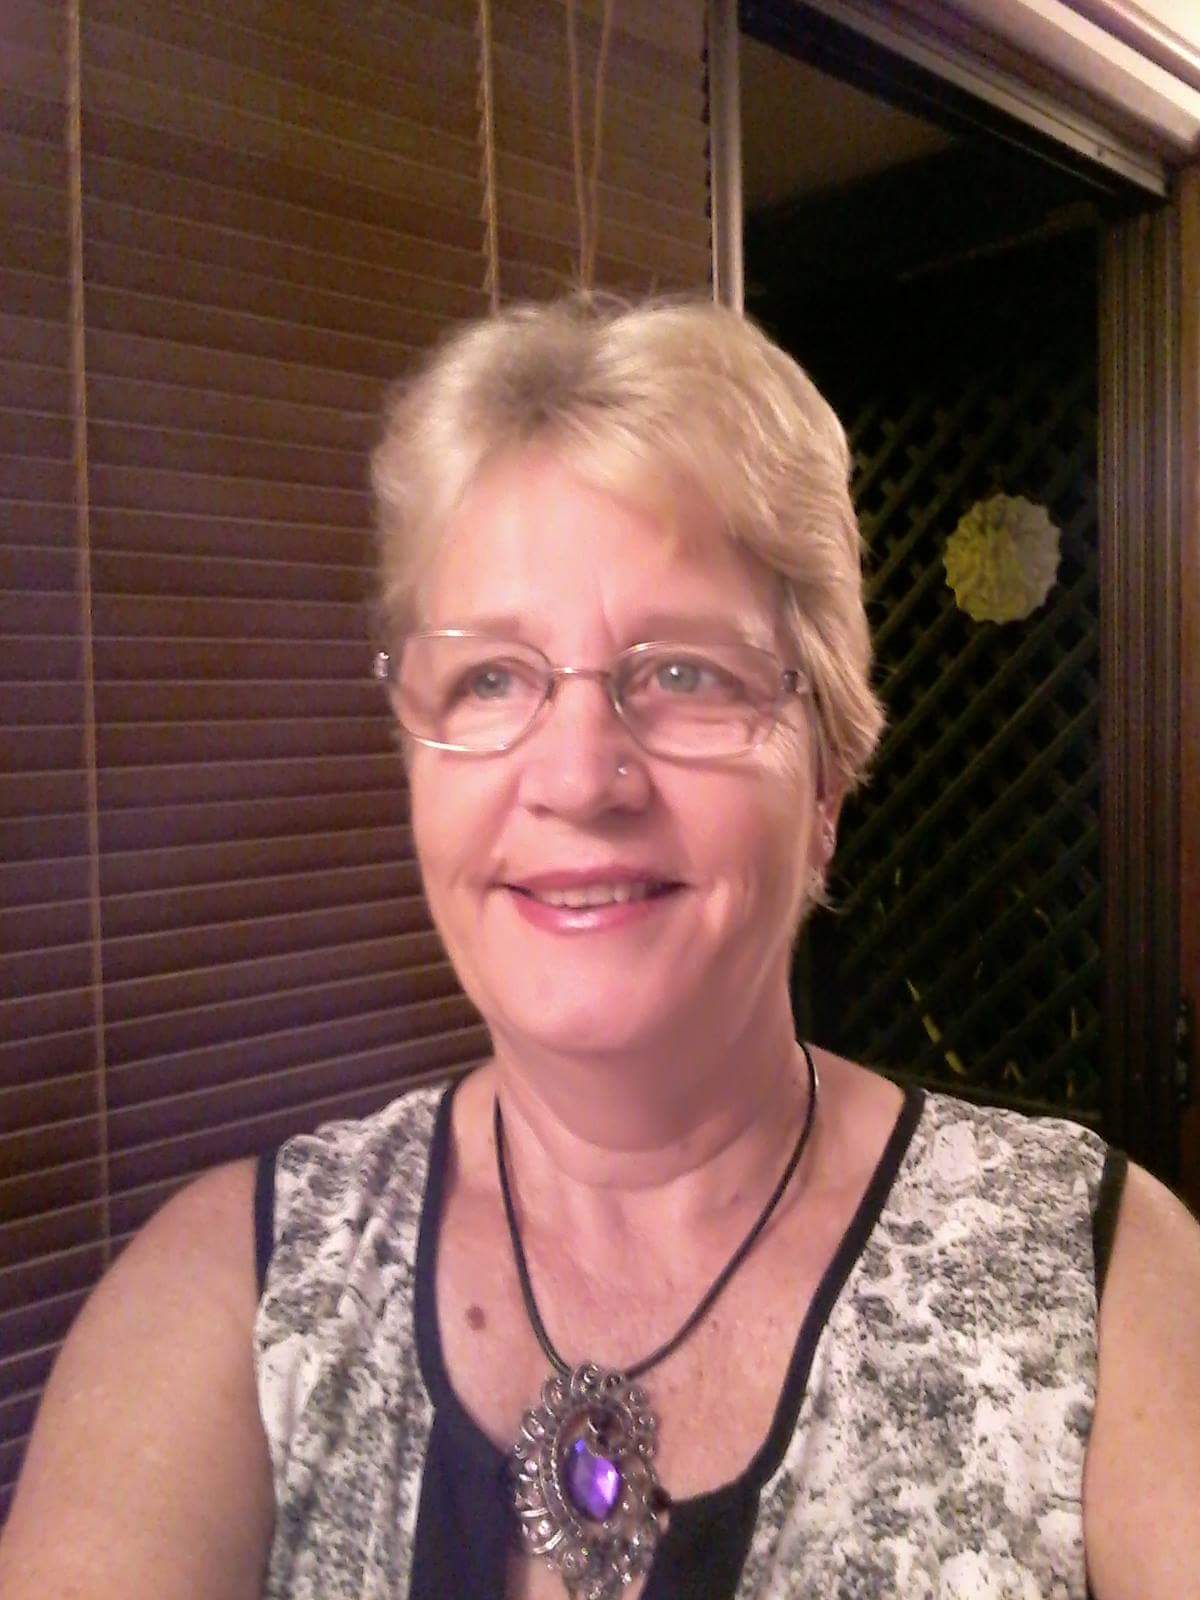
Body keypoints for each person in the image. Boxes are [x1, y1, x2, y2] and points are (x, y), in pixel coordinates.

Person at [2, 297, 1198, 1600]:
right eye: (490, 679)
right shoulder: (230, 1302)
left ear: (827, 780)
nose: (577, 778)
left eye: (685, 673)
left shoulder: (1101, 1288)